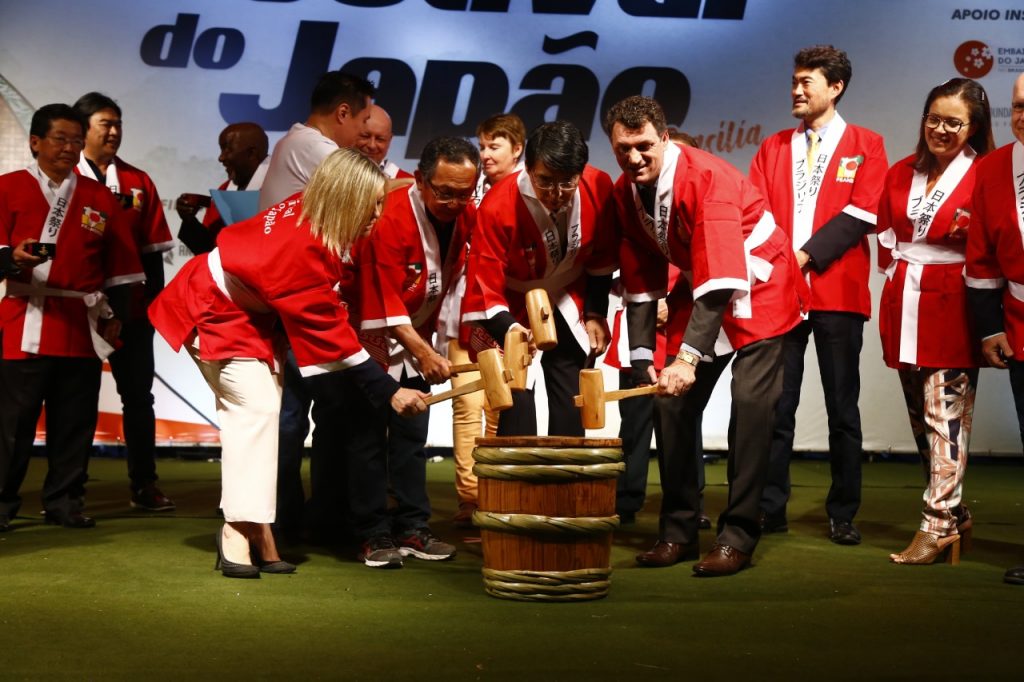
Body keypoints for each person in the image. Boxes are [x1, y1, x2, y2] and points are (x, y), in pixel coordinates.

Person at [149, 148, 428, 578]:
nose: (378, 213)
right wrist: (390, 391)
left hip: (248, 315)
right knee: (256, 412)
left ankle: (259, 528)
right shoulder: (303, 248)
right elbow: (333, 337)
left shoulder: (313, 209)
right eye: (372, 204)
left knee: (262, 417)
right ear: (346, 198)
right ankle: (237, 533)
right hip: (214, 308)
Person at [605, 95, 804, 576]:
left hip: (762, 283)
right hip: (705, 282)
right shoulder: (625, 191)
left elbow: (722, 285)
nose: (634, 158)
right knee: (668, 402)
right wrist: (641, 356)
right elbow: (642, 280)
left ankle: (738, 536)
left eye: (644, 146)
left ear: (665, 138)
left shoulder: (707, 180)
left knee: (752, 406)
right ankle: (677, 531)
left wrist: (687, 359)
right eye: (623, 148)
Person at [750, 46, 887, 544]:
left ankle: (842, 512)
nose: (797, 89)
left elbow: (863, 213)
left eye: (808, 81)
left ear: (836, 87)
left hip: (838, 293)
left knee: (842, 408)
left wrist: (803, 257)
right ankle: (771, 508)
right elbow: (757, 215)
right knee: (776, 407)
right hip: (781, 297)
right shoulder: (772, 147)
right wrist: (784, 266)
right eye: (794, 81)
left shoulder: (866, 144)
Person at [0, 104, 143, 532]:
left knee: (75, 423)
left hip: (80, 322)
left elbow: (122, 266)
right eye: (60, 138)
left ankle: (65, 501)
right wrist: (9, 257)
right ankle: (3, 503)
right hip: (23, 317)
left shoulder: (98, 196)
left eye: (76, 140)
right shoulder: (7, 187)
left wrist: (117, 315)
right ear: (35, 142)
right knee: (12, 425)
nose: (69, 147)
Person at [878, 78, 993, 565]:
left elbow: (991, 245)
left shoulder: (987, 174)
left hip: (954, 302)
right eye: (933, 119)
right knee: (921, 422)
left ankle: (938, 523)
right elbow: (886, 231)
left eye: (953, 122)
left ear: (974, 128)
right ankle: (956, 511)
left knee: (945, 420)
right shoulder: (902, 170)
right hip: (904, 298)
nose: (940, 129)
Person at [258, 71, 375, 542]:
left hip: (302, 297)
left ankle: (312, 516)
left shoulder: (296, 145)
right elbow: (373, 190)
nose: (364, 137)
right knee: (294, 419)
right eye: (362, 122)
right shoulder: (313, 147)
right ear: (342, 112)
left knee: (322, 414)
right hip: (294, 302)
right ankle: (287, 520)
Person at [361, 136, 480, 559]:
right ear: (421, 181)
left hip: (418, 336)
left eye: (464, 193)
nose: (453, 202)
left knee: (413, 437)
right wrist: (427, 354)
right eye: (444, 192)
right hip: (372, 338)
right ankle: (372, 532)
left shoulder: (466, 215)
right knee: (370, 440)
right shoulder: (390, 217)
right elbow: (384, 299)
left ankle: (413, 526)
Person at [462, 120, 617, 436]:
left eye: (567, 182)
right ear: (528, 168)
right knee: (516, 390)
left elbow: (601, 260)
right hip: (511, 302)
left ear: (581, 171)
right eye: (545, 181)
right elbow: (484, 286)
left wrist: (595, 312)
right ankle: (521, 481)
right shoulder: (496, 206)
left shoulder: (598, 186)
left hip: (568, 292)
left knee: (570, 386)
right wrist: (513, 330)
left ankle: (565, 479)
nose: (557, 194)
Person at [73, 92, 176, 513]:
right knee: (75, 401)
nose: (114, 132)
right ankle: (70, 490)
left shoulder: (138, 182)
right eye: (105, 124)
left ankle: (144, 484)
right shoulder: (66, 180)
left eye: (117, 124)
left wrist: (149, 311)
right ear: (83, 130)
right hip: (76, 312)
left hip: (131, 311)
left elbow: (152, 253)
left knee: (139, 398)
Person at [446, 112, 528, 528]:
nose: (485, 155)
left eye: (494, 146)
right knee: (466, 404)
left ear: (517, 148)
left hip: (505, 316)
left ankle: (494, 495)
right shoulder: (468, 190)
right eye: (482, 146)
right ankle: (469, 499)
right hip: (461, 311)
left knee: (501, 407)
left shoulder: (529, 195)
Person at [965, 73, 1024, 584]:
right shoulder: (995, 167)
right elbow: (980, 257)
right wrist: (989, 329)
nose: (1023, 115)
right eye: (1018, 106)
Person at [176, 122, 269, 255]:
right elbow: (208, 251)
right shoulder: (225, 190)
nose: (221, 158)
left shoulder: (284, 188)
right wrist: (189, 220)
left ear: (252, 153)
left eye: (228, 149)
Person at [474, 113, 526, 201]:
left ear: (517, 150)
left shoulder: (531, 187)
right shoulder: (471, 185)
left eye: (494, 148)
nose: (485, 155)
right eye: (482, 148)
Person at [356, 104, 412, 179]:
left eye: (380, 139)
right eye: (365, 136)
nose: (372, 145)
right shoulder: (335, 171)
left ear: (390, 140)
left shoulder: (408, 185)